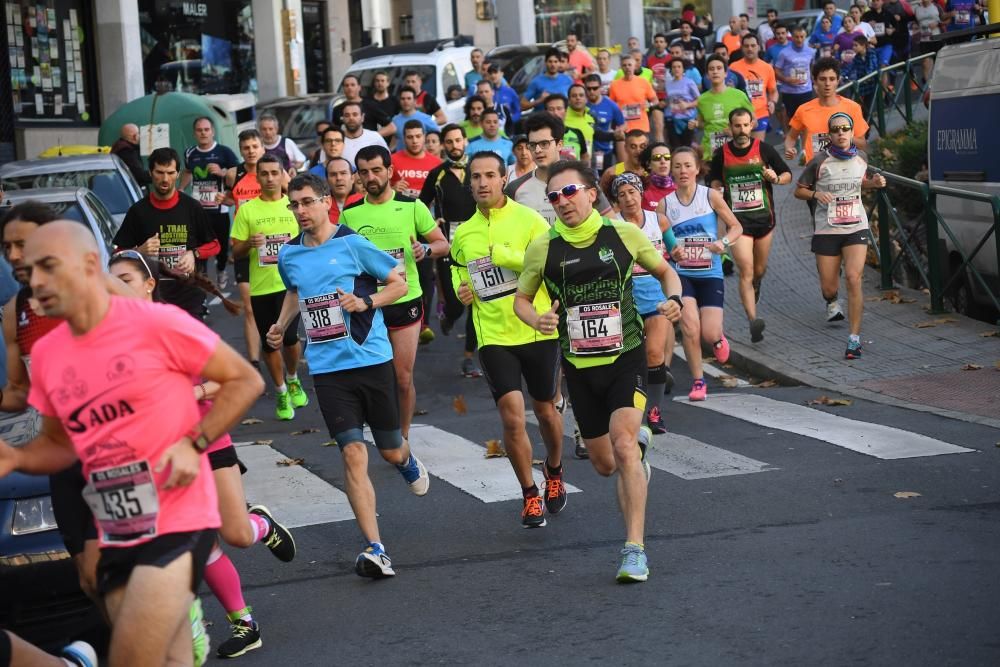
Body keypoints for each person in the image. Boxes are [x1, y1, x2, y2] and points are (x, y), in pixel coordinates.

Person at [0, 220, 262, 667]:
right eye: (28, 270)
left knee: (130, 658)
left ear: (87, 265)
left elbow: (243, 380)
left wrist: (193, 443)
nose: (35, 280)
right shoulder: (48, 354)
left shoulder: (155, 323)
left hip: (179, 517)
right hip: (116, 525)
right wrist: (19, 456)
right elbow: (62, 444)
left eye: (48, 266)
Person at [108, 250, 295, 659]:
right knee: (199, 542)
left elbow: (233, 379)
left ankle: (259, 524)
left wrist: (191, 392)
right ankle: (245, 623)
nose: (116, 290)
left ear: (149, 284)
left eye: (125, 279)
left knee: (236, 535)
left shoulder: (176, 327)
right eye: (111, 282)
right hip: (159, 455)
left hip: (207, 438)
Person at [513, 160, 683, 582]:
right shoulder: (543, 248)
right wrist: (537, 321)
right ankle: (636, 452)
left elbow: (664, 270)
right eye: (553, 196)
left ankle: (634, 550)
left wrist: (675, 297)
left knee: (624, 446)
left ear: (592, 193)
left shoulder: (623, 234)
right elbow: (522, 299)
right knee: (605, 464)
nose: (562, 202)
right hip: (580, 369)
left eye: (570, 192)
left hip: (626, 357)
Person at [267, 172, 430, 578]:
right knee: (353, 452)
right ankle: (376, 547)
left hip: (371, 360)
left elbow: (398, 281)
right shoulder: (289, 255)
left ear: (327, 202)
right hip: (327, 368)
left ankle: (406, 460)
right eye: (294, 204)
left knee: (390, 449)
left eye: (307, 202)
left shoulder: (353, 244)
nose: (300, 211)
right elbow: (294, 291)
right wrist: (281, 325)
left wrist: (366, 301)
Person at [450, 151, 566, 527]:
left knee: (546, 410)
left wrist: (502, 254)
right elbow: (457, 271)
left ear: (503, 179)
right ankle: (529, 494)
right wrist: (461, 290)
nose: (482, 183)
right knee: (513, 419)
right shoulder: (464, 231)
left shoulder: (530, 220)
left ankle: (554, 469)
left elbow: (545, 263)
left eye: (489, 176)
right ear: (470, 184)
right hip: (494, 335)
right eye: (476, 177)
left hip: (536, 327)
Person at [343, 146, 450, 440]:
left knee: (402, 379)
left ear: (390, 171)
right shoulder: (350, 213)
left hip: (405, 299)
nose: (371, 177)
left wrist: (425, 249)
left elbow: (443, 244)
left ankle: (402, 438)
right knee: (372, 377)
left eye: (377, 170)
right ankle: (378, 426)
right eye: (364, 172)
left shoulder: (412, 206)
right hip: (368, 303)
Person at [795, 113, 886, 358]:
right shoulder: (819, 162)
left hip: (855, 226)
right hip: (827, 228)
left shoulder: (861, 158)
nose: (841, 133)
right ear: (830, 135)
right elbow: (799, 191)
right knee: (828, 287)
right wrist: (815, 195)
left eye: (846, 128)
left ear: (851, 131)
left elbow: (860, 183)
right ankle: (831, 298)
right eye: (836, 130)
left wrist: (874, 183)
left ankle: (854, 340)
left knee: (854, 279)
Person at [661, 147, 742, 402]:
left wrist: (724, 243)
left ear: (697, 169)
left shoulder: (710, 197)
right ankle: (698, 380)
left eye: (687, 165)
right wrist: (672, 251)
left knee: (708, 332)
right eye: (677, 166)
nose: (683, 171)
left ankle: (717, 340)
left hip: (710, 272)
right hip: (682, 274)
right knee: (690, 327)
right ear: (671, 171)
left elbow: (736, 227)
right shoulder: (666, 203)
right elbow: (662, 239)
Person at [230, 153, 307, 421]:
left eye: (275, 173)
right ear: (257, 176)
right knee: (270, 343)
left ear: (284, 174)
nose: (270, 178)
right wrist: (248, 244)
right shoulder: (248, 210)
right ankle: (281, 390)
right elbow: (234, 253)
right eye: (265, 174)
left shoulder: (293, 205)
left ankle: (294, 376)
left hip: (291, 286)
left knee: (290, 339)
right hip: (262, 287)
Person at [708, 108, 792, 343]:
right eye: (737, 126)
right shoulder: (722, 154)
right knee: (746, 271)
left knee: (759, 271)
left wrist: (775, 178)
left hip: (765, 219)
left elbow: (787, 174)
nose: (742, 130)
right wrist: (716, 188)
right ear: (730, 127)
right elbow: (713, 178)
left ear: (752, 125)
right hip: (738, 224)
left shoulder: (763, 149)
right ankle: (753, 321)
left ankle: (757, 284)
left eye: (746, 125)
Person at [114, 147, 219, 320]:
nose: (165, 179)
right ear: (150, 173)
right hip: (153, 296)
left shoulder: (192, 207)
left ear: (178, 174)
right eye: (159, 172)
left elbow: (215, 244)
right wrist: (139, 252)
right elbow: (118, 254)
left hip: (189, 294)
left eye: (170, 173)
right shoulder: (138, 211)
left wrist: (194, 254)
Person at [612, 172, 676, 434]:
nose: (629, 199)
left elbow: (673, 250)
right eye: (622, 194)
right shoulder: (611, 224)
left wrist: (679, 252)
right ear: (617, 200)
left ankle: (654, 411)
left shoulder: (657, 221)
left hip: (655, 298)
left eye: (633, 192)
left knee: (654, 354)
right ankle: (627, 409)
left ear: (641, 194)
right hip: (624, 299)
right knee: (628, 358)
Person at [419, 125, 482, 376]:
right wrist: (430, 224)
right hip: (449, 245)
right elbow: (421, 206)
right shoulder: (437, 174)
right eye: (449, 141)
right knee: (456, 303)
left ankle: (469, 357)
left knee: (475, 301)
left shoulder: (478, 170)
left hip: (478, 243)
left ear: (465, 141)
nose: (455, 145)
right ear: (443, 145)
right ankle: (448, 317)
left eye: (458, 140)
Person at [507, 112, 613, 227]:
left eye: (544, 143)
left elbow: (612, 224)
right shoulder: (514, 189)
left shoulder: (583, 180)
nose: (537, 150)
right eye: (532, 145)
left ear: (559, 144)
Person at [181, 117, 239, 289]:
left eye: (206, 129)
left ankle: (221, 269)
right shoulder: (190, 152)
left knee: (220, 247)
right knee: (200, 245)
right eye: (199, 130)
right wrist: (181, 189)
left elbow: (237, 174)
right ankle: (203, 275)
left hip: (219, 209)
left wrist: (223, 172)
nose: (203, 133)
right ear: (195, 133)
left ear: (212, 132)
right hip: (199, 209)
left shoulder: (224, 152)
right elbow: (188, 171)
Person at [224, 129, 265, 370]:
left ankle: (277, 348)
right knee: (250, 308)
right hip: (243, 245)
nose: (251, 151)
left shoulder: (274, 173)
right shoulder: (233, 174)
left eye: (254, 146)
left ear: (262, 148)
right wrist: (225, 200)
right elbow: (233, 197)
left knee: (275, 307)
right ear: (241, 150)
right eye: (246, 147)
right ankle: (254, 363)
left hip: (271, 245)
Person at [784, 58, 869, 164]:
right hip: (816, 173)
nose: (827, 83)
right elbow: (791, 137)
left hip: (845, 171)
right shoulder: (804, 110)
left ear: (838, 81)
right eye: (823, 79)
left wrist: (843, 137)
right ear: (814, 81)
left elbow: (863, 145)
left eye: (832, 79)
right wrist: (789, 149)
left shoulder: (852, 107)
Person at [693, 55, 754, 164]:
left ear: (726, 73)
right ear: (707, 75)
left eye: (719, 68)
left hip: (735, 151)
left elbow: (754, 122)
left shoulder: (739, 95)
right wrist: (696, 124)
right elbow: (703, 123)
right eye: (711, 69)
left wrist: (736, 131)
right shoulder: (702, 99)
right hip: (711, 155)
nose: (715, 72)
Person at [728, 34, 779, 141]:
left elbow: (773, 91)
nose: (750, 49)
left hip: (760, 113)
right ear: (742, 48)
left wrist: (772, 102)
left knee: (756, 148)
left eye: (753, 45)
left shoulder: (767, 68)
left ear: (759, 47)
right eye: (746, 46)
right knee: (741, 149)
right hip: (739, 115)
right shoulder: (733, 67)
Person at [774, 26, 818, 127]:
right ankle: (790, 139)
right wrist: (785, 79)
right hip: (789, 92)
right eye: (796, 37)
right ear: (792, 37)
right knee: (790, 119)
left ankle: (804, 141)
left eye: (802, 37)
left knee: (806, 119)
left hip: (806, 90)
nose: (799, 39)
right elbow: (776, 70)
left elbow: (812, 67)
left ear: (805, 36)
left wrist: (814, 82)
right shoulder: (784, 53)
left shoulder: (811, 52)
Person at [334, 74, 396, 142]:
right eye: (346, 85)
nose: (349, 88)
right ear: (343, 88)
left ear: (359, 87)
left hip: (368, 148)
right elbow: (334, 132)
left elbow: (391, 127)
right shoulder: (337, 109)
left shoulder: (370, 105)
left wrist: (372, 136)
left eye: (353, 85)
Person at [584, 73, 626, 173]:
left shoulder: (611, 105)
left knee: (605, 178)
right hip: (586, 151)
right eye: (588, 88)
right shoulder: (581, 104)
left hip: (604, 150)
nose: (591, 91)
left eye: (595, 88)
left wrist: (619, 132)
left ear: (601, 87)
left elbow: (623, 124)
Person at [608, 54, 657, 136]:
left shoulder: (643, 82)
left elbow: (655, 100)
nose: (627, 67)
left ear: (634, 66)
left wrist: (649, 104)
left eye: (629, 65)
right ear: (621, 68)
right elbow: (611, 105)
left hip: (642, 126)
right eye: (624, 65)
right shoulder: (614, 85)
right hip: (623, 127)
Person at [392, 120, 443, 198]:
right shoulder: (392, 160)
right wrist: (392, 190)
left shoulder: (437, 163)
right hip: (400, 207)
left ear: (424, 137)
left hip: (428, 208)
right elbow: (380, 190)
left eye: (418, 136)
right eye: (410, 137)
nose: (414, 141)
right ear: (404, 138)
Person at [599, 129, 648, 201]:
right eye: (633, 146)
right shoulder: (612, 173)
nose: (638, 151)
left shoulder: (652, 173)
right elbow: (600, 201)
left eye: (642, 146)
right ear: (626, 148)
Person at [664, 59, 700, 150]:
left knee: (687, 147)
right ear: (671, 69)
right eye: (674, 67)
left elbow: (700, 100)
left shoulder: (689, 82)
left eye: (679, 67)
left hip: (687, 120)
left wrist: (688, 105)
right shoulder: (668, 84)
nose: (676, 69)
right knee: (675, 148)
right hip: (672, 119)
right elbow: (668, 100)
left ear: (683, 69)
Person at [340, 102, 390, 167]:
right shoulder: (336, 139)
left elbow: (388, 162)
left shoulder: (375, 137)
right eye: (347, 115)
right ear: (342, 118)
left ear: (362, 117)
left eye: (355, 114)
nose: (351, 118)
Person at [841, 35, 881, 116]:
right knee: (859, 107)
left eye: (856, 45)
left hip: (872, 85)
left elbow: (871, 66)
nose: (853, 47)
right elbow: (849, 67)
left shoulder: (871, 54)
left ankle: (868, 126)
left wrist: (868, 76)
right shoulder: (856, 57)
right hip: (862, 85)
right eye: (853, 45)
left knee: (868, 108)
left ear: (863, 46)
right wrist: (841, 75)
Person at [543, 93, 589, 162]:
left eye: (559, 108)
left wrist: (584, 171)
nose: (555, 112)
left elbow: (585, 157)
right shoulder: (539, 135)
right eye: (551, 109)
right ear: (545, 112)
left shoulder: (577, 133)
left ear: (566, 111)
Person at [863, 0, 902, 71]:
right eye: (873, 1)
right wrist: (868, 25)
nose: (875, 2)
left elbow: (897, 27)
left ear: (882, 2)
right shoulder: (867, 15)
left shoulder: (888, 14)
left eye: (877, 0)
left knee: (883, 66)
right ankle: (878, 82)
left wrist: (892, 30)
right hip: (872, 46)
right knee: (874, 69)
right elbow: (861, 29)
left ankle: (883, 81)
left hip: (886, 44)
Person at [326, 156, 364, 224]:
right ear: (327, 180)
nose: (339, 178)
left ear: (352, 178)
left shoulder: (364, 202)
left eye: (343, 173)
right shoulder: (322, 206)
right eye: (333, 174)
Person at [110, 122, 150, 187]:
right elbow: (139, 175)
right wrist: (156, 175)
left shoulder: (120, 146)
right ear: (134, 136)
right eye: (138, 133)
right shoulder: (127, 151)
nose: (139, 136)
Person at [640, 142, 675, 212]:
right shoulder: (641, 190)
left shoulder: (680, 190)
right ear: (648, 164)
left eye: (667, 157)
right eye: (657, 157)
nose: (663, 161)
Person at [913, 0, 943, 82]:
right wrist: (915, 27)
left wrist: (937, 24)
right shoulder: (917, 9)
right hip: (924, 39)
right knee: (925, 63)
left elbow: (944, 18)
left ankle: (938, 82)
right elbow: (914, 21)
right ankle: (928, 86)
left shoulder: (937, 6)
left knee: (938, 63)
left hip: (936, 37)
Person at [486, 64, 523, 129]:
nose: (493, 75)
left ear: (501, 74)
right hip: (491, 127)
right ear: (488, 76)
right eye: (490, 73)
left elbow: (518, 111)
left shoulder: (510, 91)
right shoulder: (486, 92)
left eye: (495, 72)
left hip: (508, 128)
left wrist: (510, 120)